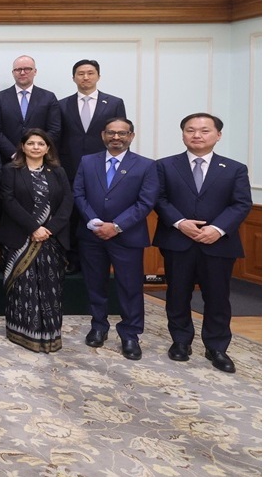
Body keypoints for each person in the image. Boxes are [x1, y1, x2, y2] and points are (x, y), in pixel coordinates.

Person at [153, 113, 252, 374]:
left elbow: (241, 203)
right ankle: (181, 342)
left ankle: (216, 347)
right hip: (178, 240)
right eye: (190, 130)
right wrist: (180, 222)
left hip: (218, 244)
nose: (197, 135)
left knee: (217, 297)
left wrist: (217, 229)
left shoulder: (234, 168)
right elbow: (159, 199)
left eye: (204, 130)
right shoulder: (165, 165)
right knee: (177, 294)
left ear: (218, 135)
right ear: (183, 134)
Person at [72, 117, 159, 360]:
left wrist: (117, 226)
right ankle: (98, 326)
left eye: (122, 133)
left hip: (127, 237)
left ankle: (130, 334)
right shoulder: (88, 162)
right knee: (95, 284)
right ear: (103, 135)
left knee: (130, 287)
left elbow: (146, 202)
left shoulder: (146, 165)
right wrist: (93, 221)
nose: (116, 137)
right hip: (92, 234)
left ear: (131, 136)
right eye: (111, 133)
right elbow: (78, 193)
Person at [0, 128, 72, 353]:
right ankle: (22, 333)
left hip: (51, 239)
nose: (36, 147)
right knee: (22, 288)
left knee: (50, 289)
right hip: (20, 238)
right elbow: (8, 202)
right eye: (31, 143)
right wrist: (33, 228)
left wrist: (48, 229)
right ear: (23, 147)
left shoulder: (57, 172)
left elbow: (67, 202)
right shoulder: (10, 171)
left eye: (40, 143)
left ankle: (49, 336)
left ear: (48, 148)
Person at [57, 59, 128, 183]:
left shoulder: (114, 103)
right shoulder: (61, 104)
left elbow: (123, 134)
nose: (85, 77)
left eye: (90, 73)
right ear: (73, 78)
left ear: (98, 76)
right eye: (80, 74)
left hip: (104, 163)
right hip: (69, 164)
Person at [0, 55, 63, 162]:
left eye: (27, 69)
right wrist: (13, 153)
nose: (22, 72)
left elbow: (55, 129)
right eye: (18, 69)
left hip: (41, 159)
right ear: (13, 73)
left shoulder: (48, 97)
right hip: (8, 160)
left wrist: (37, 149)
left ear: (35, 71)